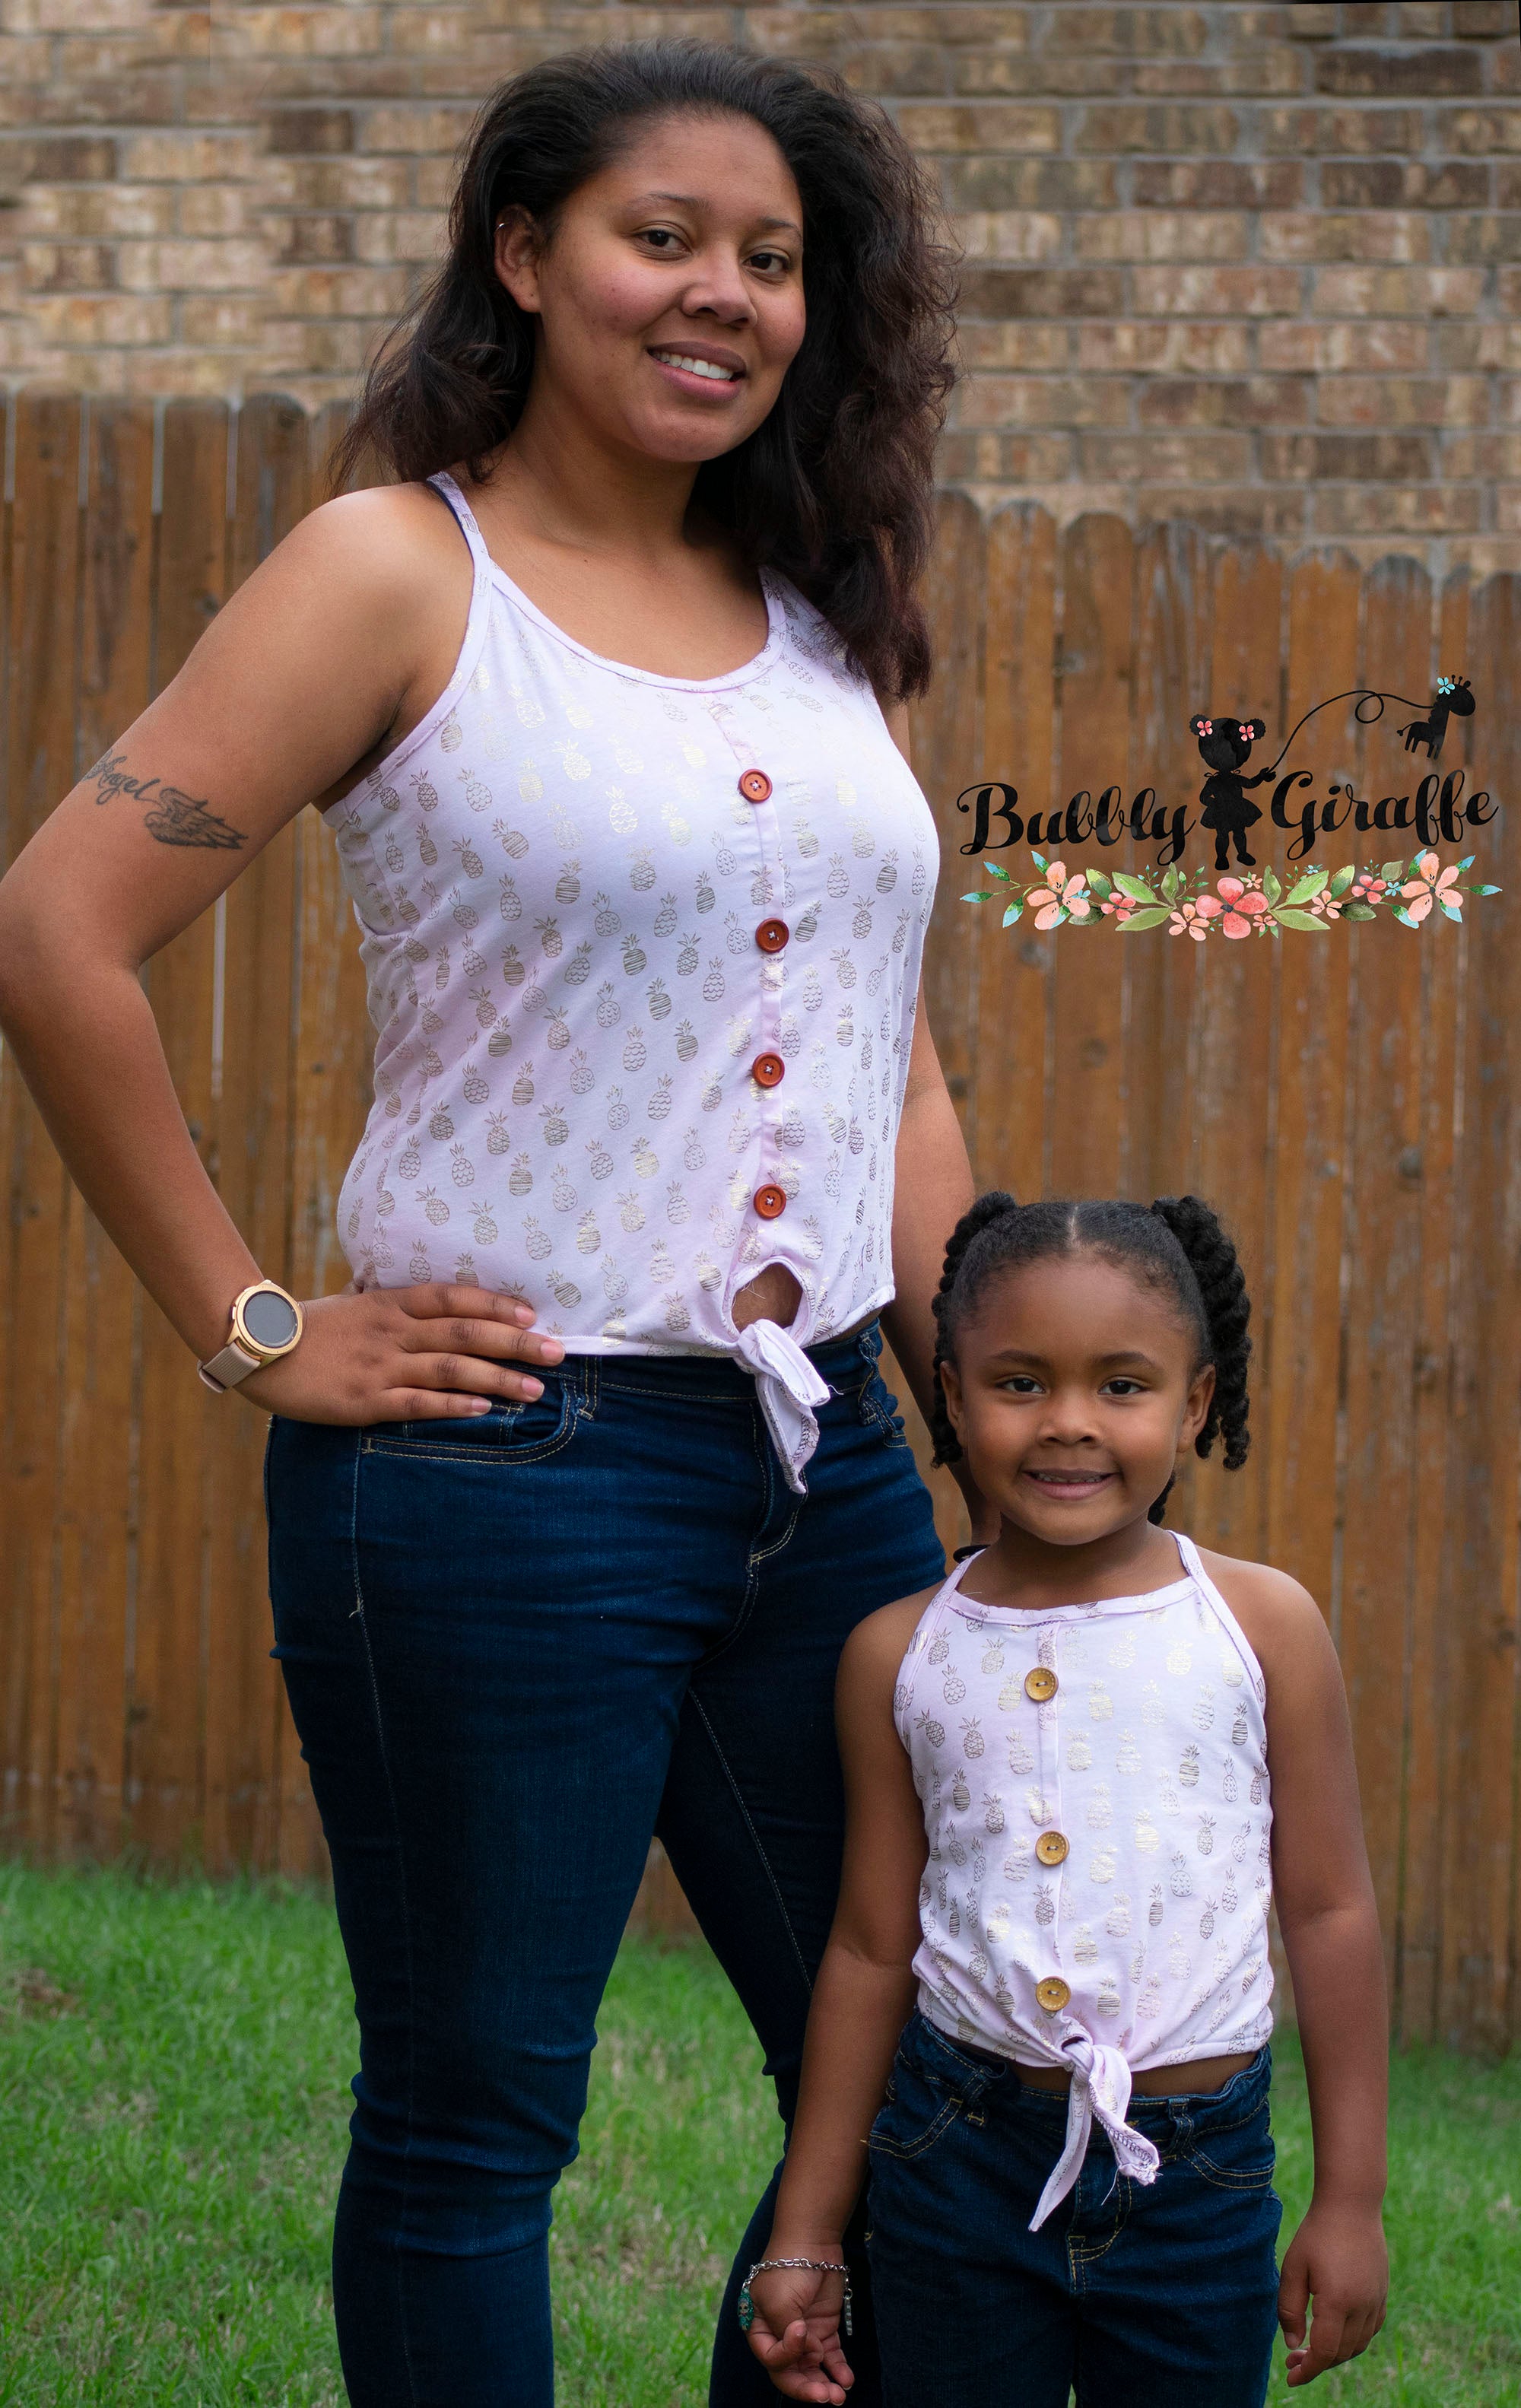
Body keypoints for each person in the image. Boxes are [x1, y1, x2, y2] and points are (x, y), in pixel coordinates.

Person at [0, 39, 983, 2408]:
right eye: (667, 237)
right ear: (528, 256)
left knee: (927, 2085)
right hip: (509, 1465)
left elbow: (895, 1055)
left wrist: (996, 1419)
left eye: (773, 258)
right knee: (476, 2122)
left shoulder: (816, 602)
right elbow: (55, 924)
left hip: (828, 1458)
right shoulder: (392, 569)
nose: (724, 293)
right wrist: (255, 1325)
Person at [743, 1193, 1390, 2407]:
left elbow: (1330, 1911)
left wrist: (1351, 2200)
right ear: (951, 1394)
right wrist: (809, 2228)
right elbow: (873, 1948)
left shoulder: (1261, 1627)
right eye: (1021, 1382)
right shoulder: (900, 1652)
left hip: (1199, 2180)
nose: (1070, 1422)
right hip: (956, 2163)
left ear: (1195, 1401)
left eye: (1123, 1384)